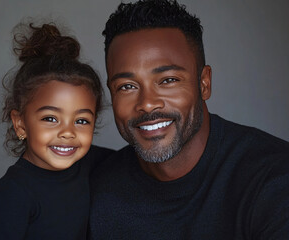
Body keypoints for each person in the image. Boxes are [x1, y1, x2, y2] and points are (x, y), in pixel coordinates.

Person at [89, 0, 289, 239]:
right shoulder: (94, 189)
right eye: (127, 86)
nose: (147, 103)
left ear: (204, 83)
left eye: (168, 80)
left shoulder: (273, 178)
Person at [0, 22, 113, 240]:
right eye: (50, 118)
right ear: (20, 123)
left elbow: (136, 164)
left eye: (81, 121)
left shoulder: (90, 162)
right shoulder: (13, 194)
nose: (68, 132)